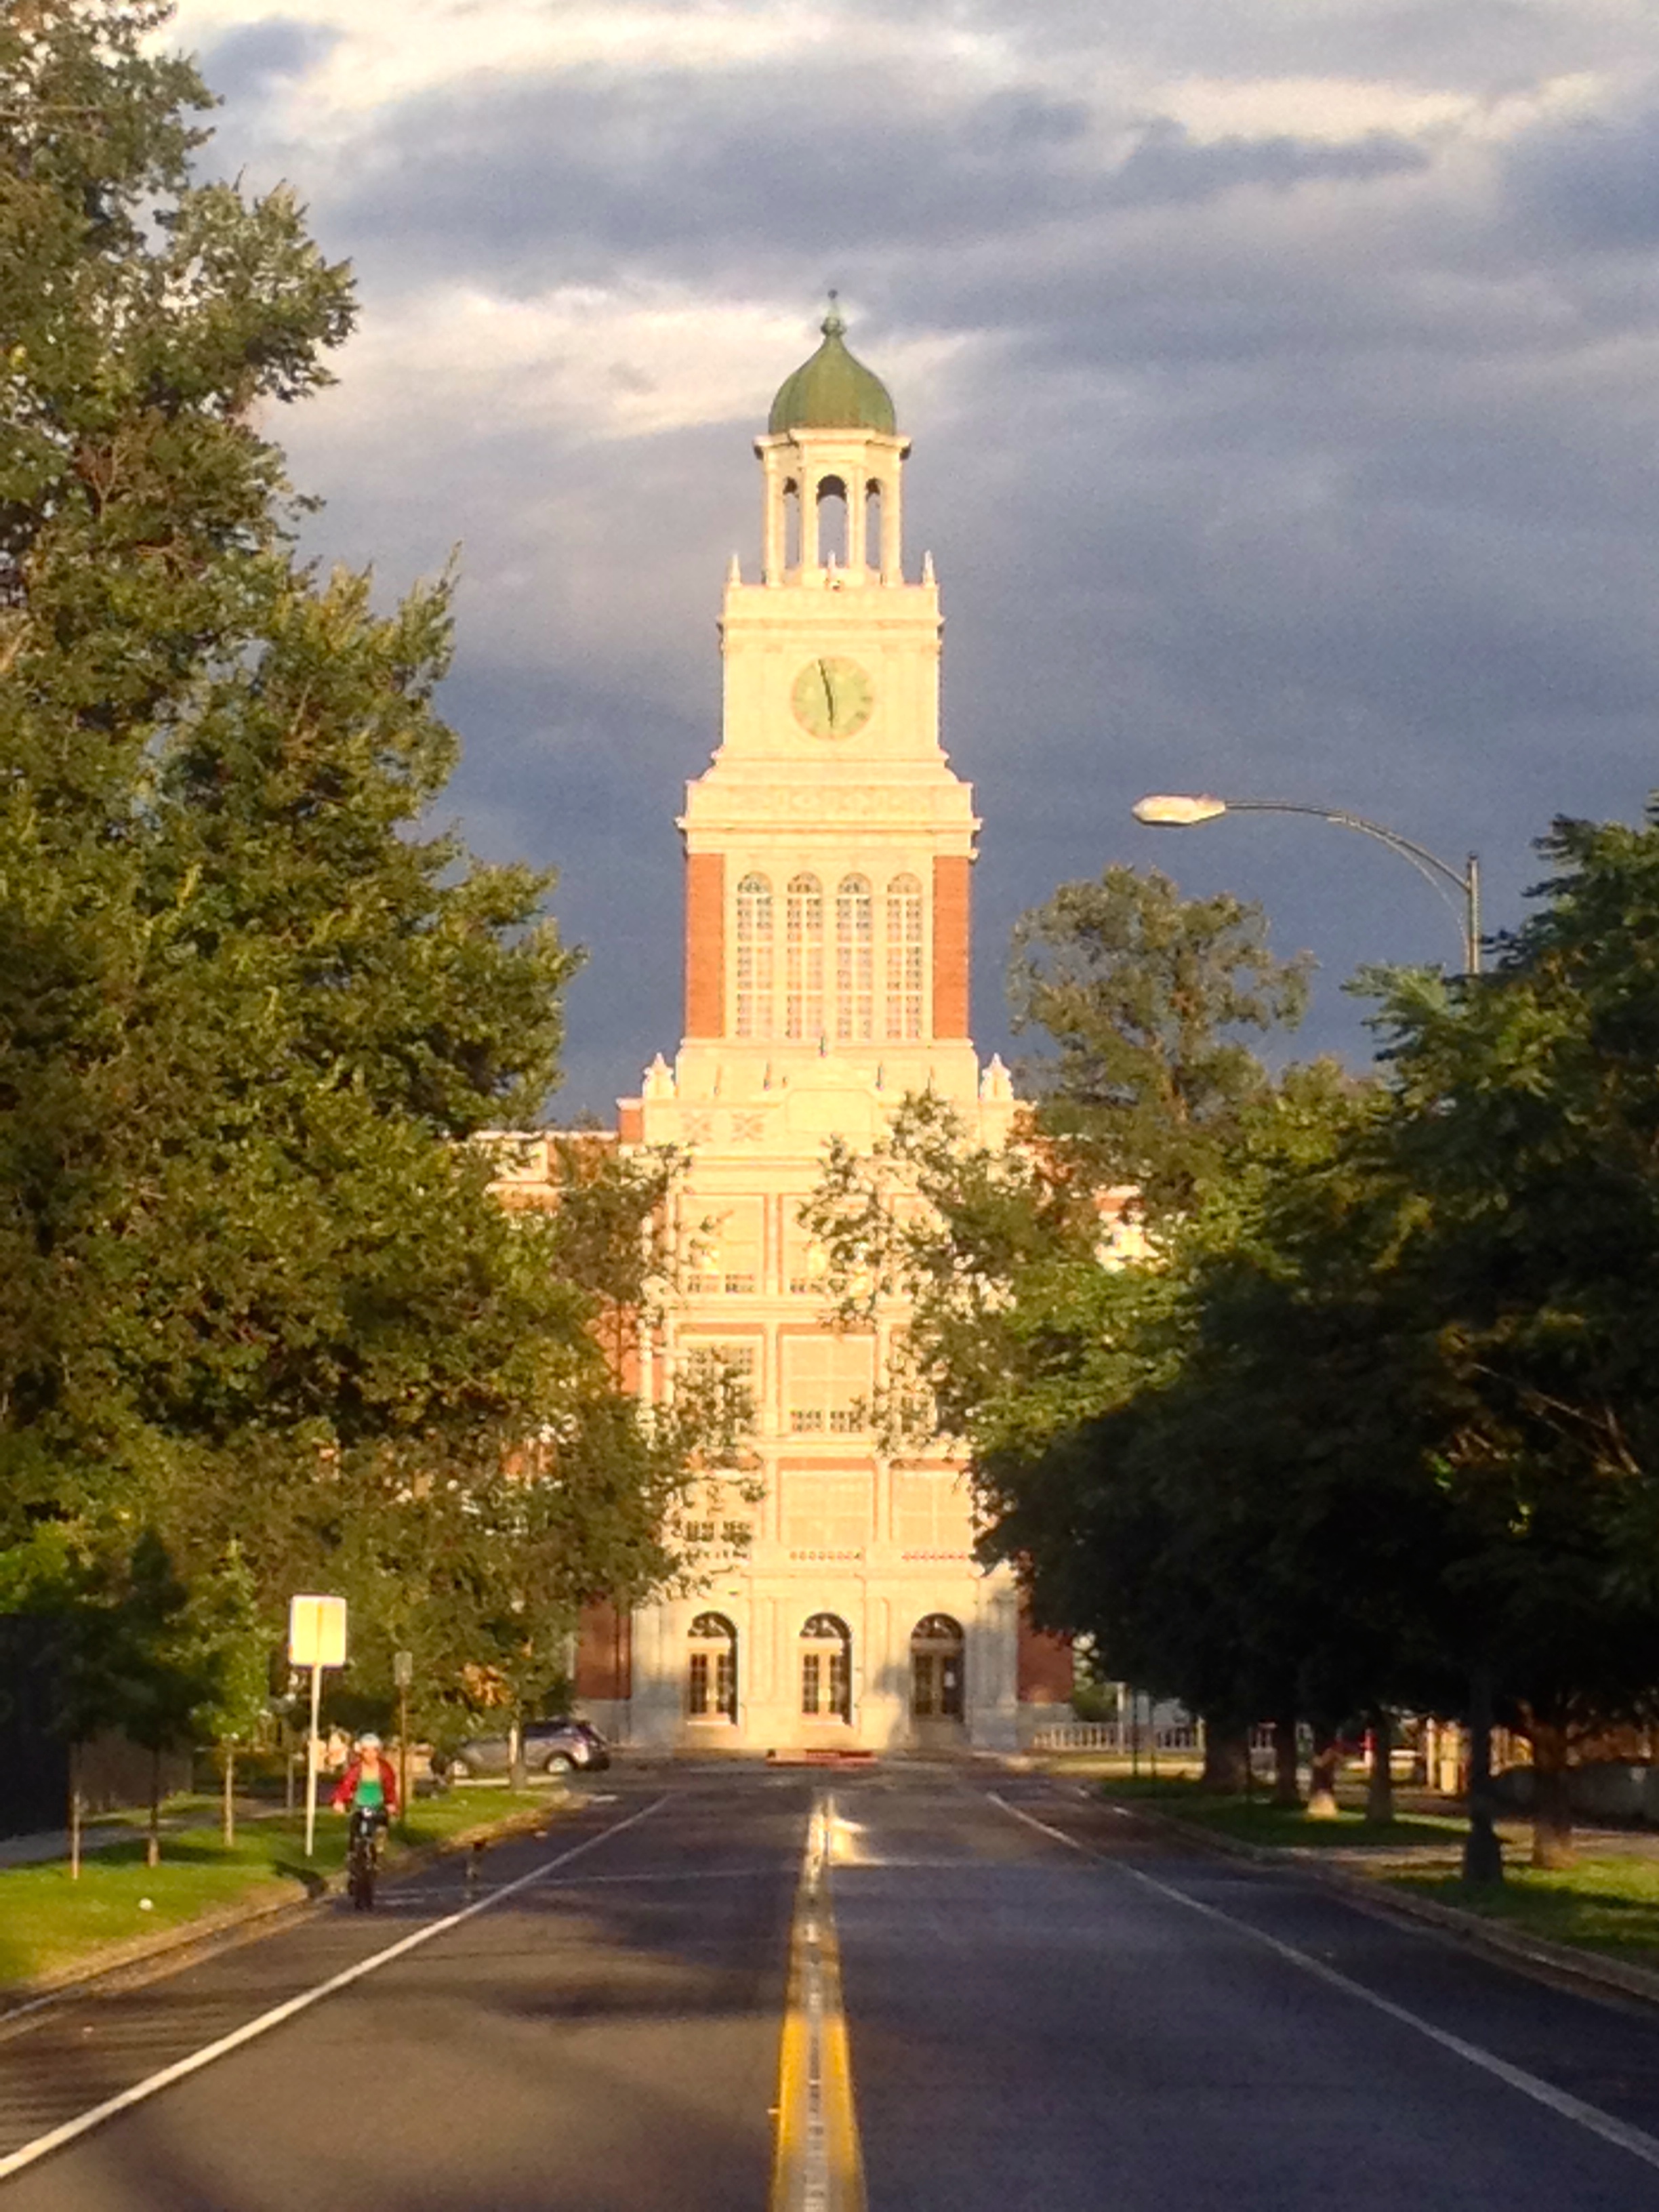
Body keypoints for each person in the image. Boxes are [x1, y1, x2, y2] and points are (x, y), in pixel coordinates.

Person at [331, 1732, 398, 1848]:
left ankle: (378, 1852)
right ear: (361, 1752)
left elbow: (390, 1788)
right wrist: (339, 1801)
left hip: (378, 1806)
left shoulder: (385, 1769)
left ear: (378, 1752)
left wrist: (391, 1803)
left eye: (373, 1751)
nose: (370, 1755)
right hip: (360, 1806)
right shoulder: (356, 1769)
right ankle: (352, 1854)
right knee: (355, 1829)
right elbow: (346, 1785)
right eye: (366, 1751)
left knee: (379, 1828)